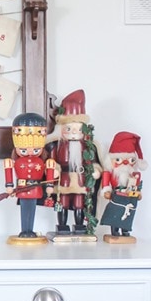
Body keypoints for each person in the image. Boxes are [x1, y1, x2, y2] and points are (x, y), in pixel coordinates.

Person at [44, 89, 101, 236]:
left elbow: (93, 161)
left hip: (81, 179)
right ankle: (62, 226)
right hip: (63, 178)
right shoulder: (56, 145)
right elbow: (51, 161)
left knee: (79, 203)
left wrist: (95, 169)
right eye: (69, 129)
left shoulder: (88, 146)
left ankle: (80, 225)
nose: (73, 132)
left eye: (77, 129)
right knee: (62, 202)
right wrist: (54, 168)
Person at [2, 112, 55, 243]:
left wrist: (49, 185)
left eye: (36, 149)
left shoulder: (43, 162)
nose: (30, 152)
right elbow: (9, 173)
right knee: (24, 210)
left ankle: (29, 230)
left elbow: (49, 174)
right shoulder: (15, 162)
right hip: (22, 188)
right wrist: (9, 186)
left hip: (35, 188)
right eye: (24, 150)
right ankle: (24, 230)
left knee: (32, 210)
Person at [100, 131, 146, 242]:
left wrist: (138, 193)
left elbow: (137, 186)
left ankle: (125, 230)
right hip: (116, 194)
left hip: (129, 195)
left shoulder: (134, 175)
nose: (125, 163)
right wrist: (106, 191)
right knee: (115, 212)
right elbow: (106, 183)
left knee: (129, 213)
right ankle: (114, 231)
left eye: (130, 160)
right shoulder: (109, 172)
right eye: (119, 160)